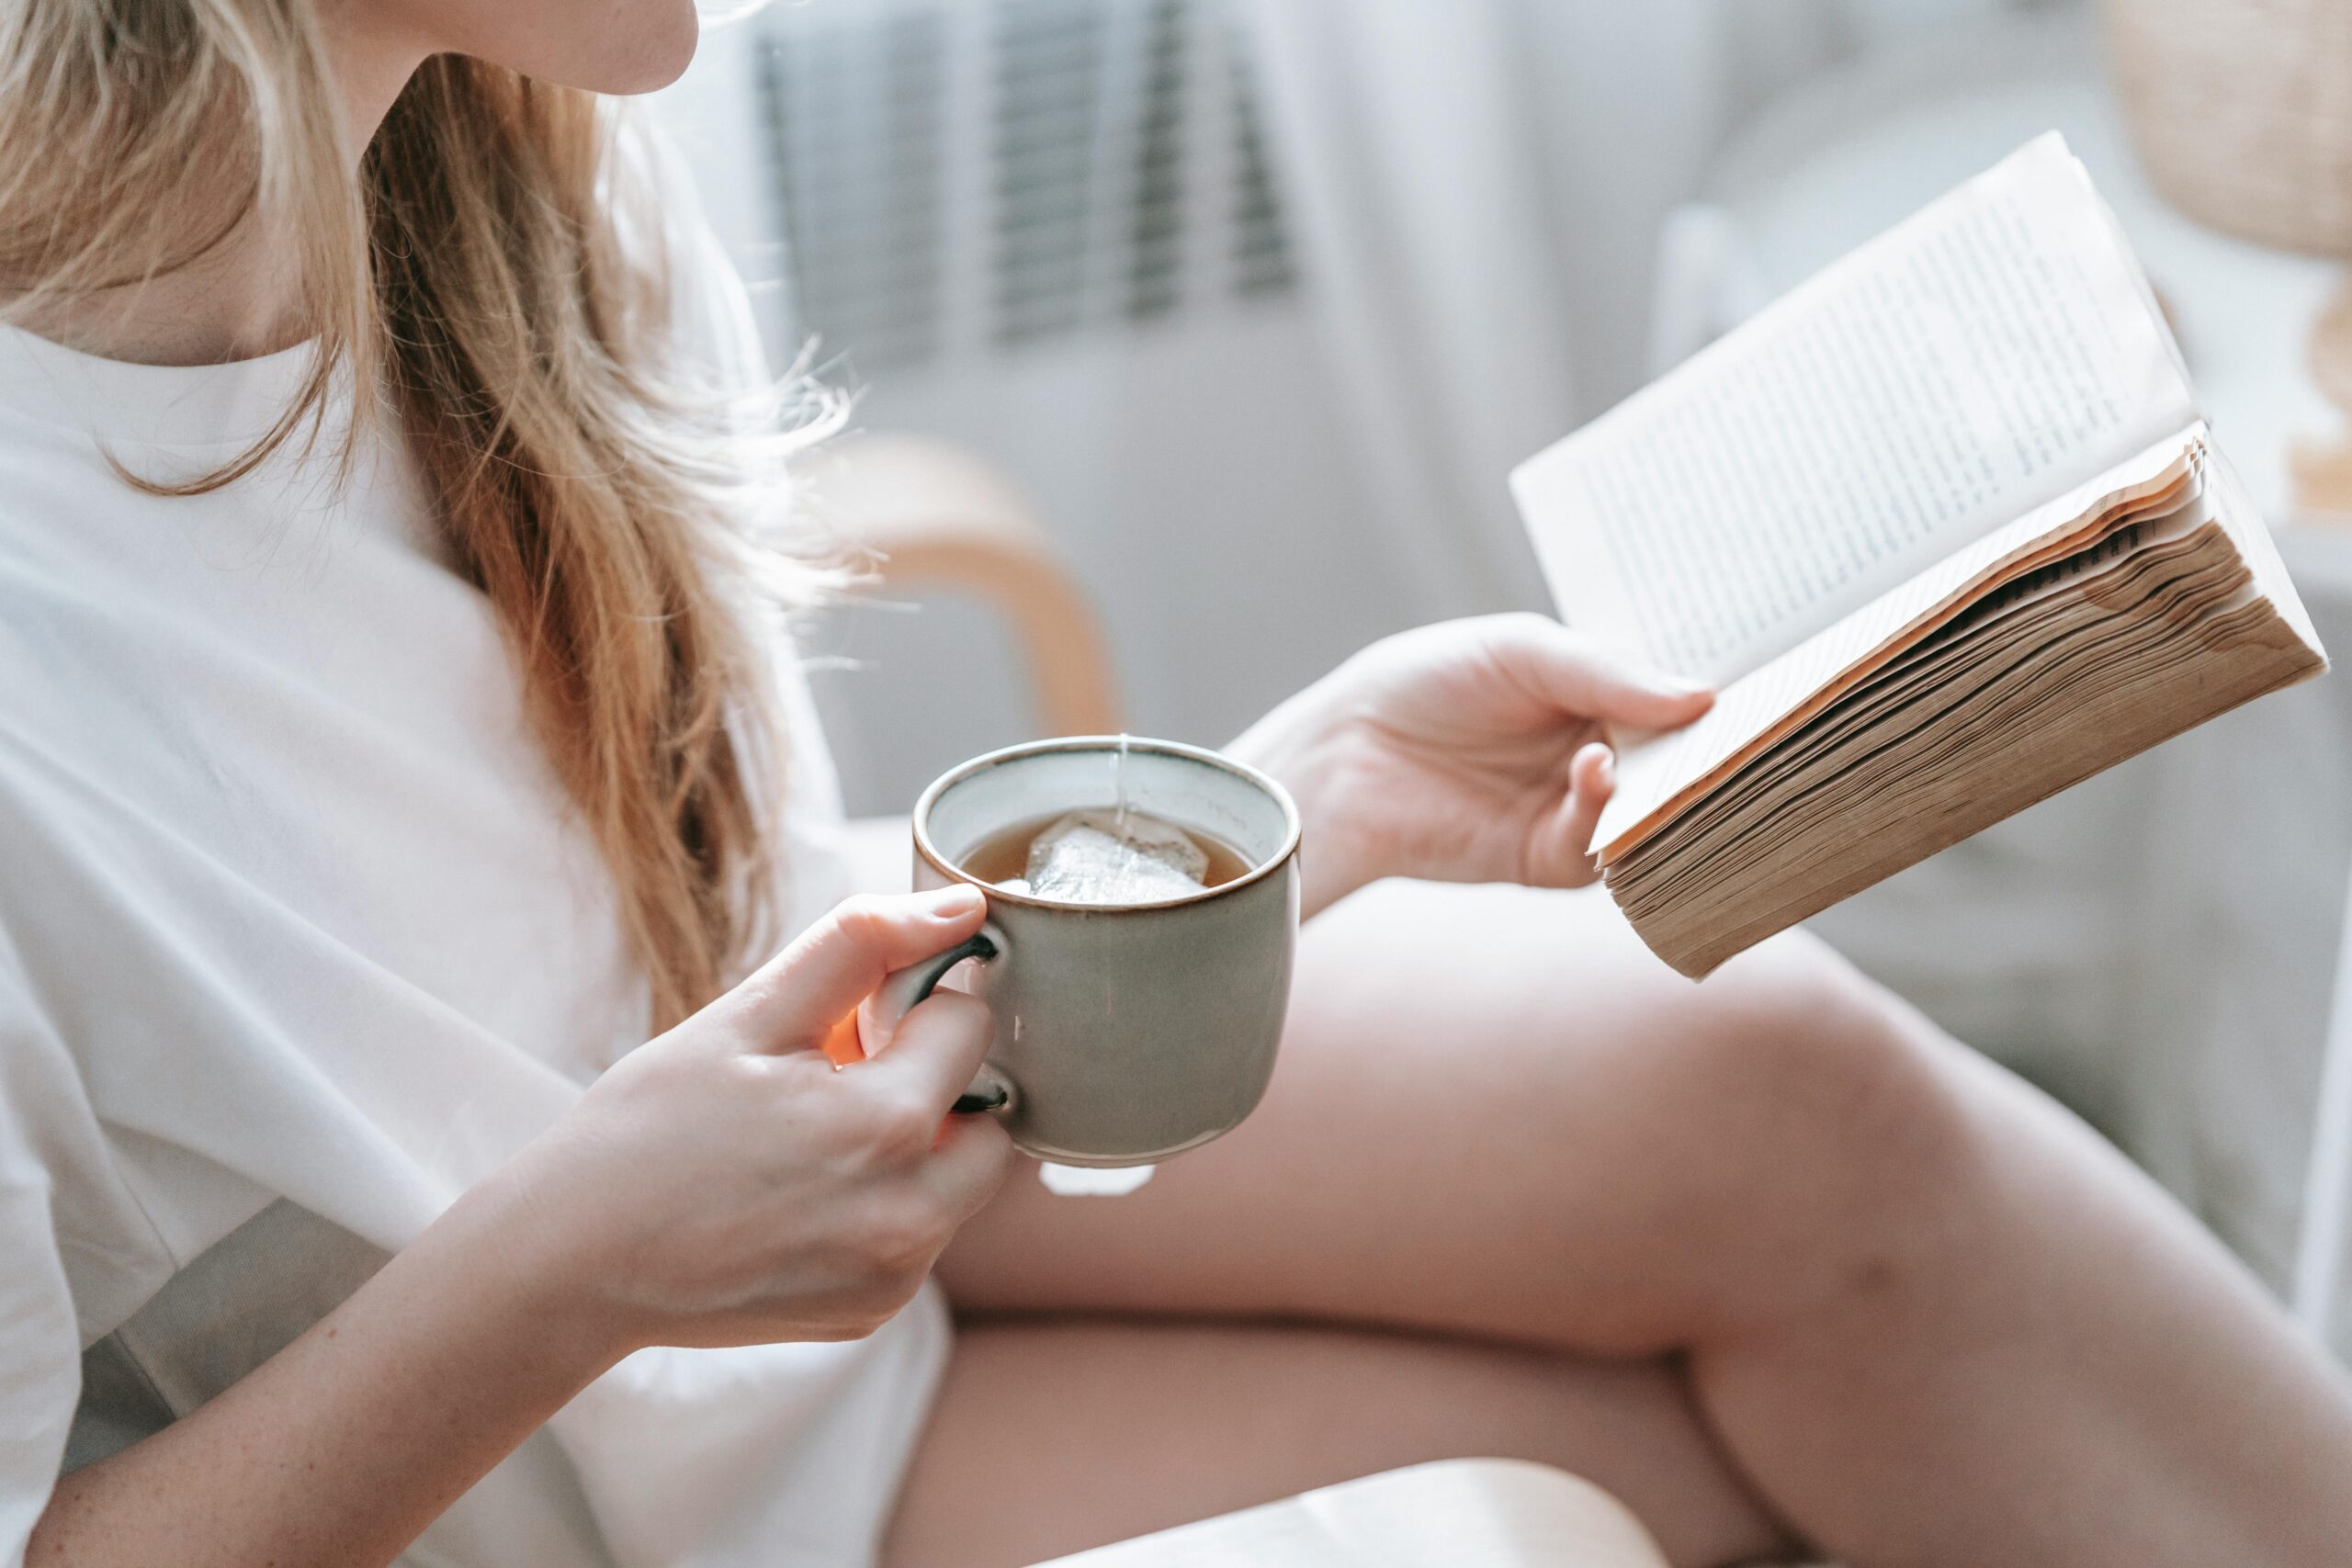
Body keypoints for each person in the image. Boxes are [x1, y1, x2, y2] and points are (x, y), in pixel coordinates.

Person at [2, 3, 2347, 1566]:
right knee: (1657, 1487)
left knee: (1776, 1078)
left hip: (764, 1303)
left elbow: (621, 943)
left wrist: (1289, 800)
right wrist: (573, 1262)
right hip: (547, 1472)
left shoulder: (512, 165)